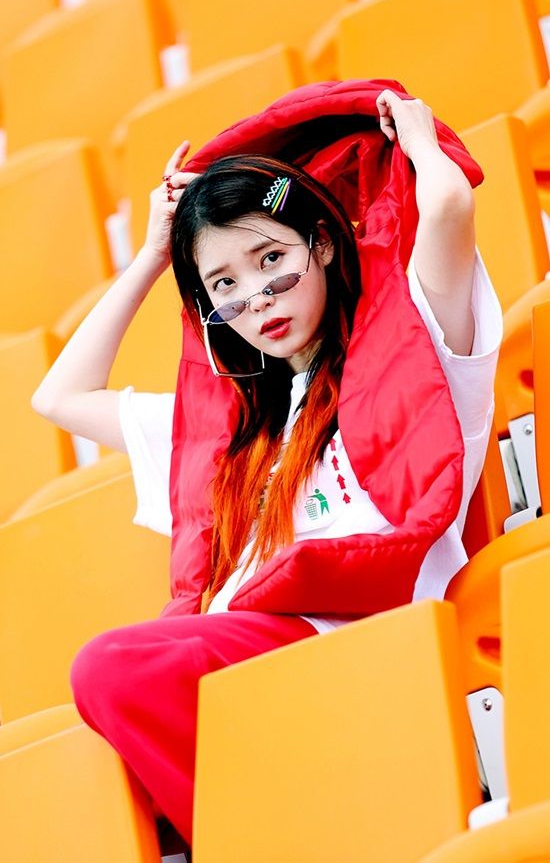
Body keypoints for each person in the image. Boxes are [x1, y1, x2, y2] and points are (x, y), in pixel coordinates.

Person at [32, 86, 503, 854]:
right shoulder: (228, 435)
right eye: (224, 284)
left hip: (358, 653)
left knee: (111, 667)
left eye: (271, 258)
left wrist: (416, 136)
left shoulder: (416, 356)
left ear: (323, 244)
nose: (256, 296)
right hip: (252, 673)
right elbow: (60, 396)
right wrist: (154, 256)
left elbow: (448, 206)